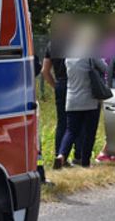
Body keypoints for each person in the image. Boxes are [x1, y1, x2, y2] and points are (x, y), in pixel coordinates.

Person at [55, 36, 108, 169]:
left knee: (70, 131)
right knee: (89, 132)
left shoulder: (68, 57)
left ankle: (61, 155)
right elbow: (105, 68)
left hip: (72, 99)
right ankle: (85, 162)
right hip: (90, 100)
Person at [41, 22, 72, 164]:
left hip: (60, 84)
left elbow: (45, 71)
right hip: (75, 85)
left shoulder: (51, 45)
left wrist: (55, 85)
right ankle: (74, 156)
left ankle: (57, 154)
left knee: (62, 122)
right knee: (76, 122)